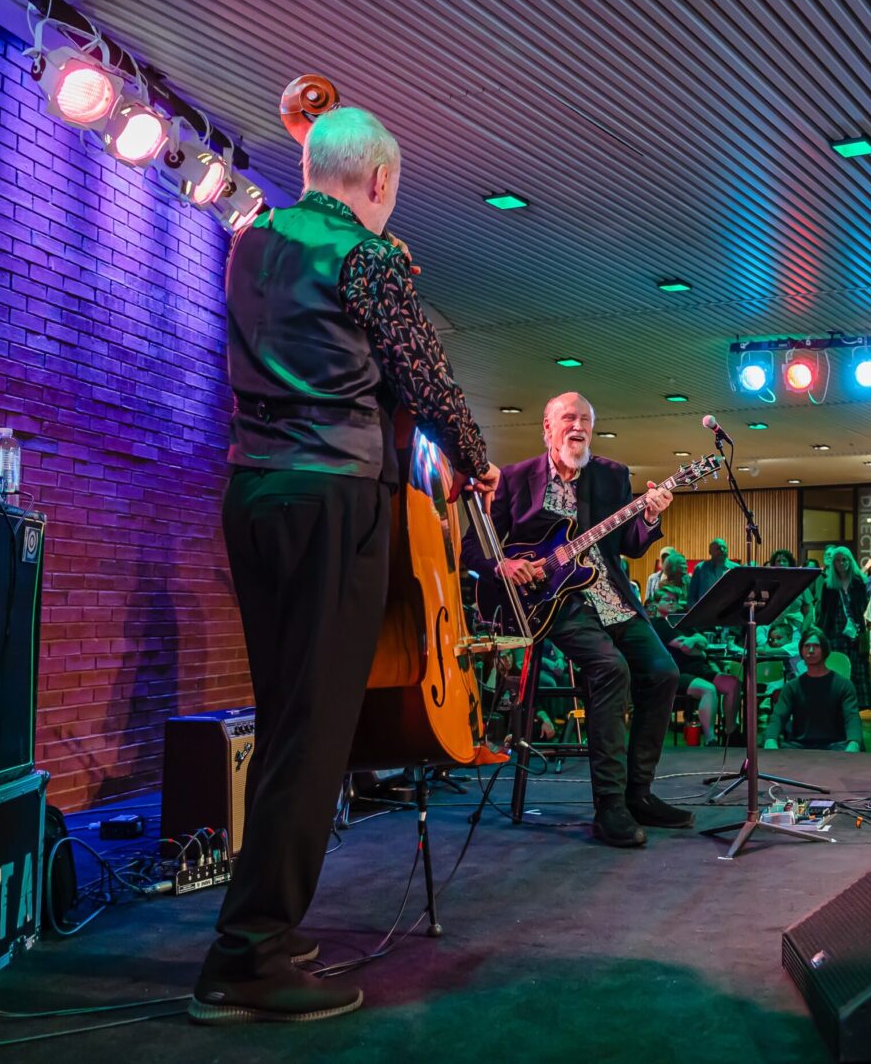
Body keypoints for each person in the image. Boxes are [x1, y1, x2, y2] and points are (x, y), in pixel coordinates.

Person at [198, 107, 502, 1025]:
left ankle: (262, 928)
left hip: (255, 497)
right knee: (314, 734)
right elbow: (423, 373)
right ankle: (245, 956)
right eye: (393, 190)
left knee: (289, 718)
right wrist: (477, 458)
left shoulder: (251, 241)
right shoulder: (365, 255)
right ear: (378, 181)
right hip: (333, 498)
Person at [460, 392, 679, 849]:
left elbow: (630, 546)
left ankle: (639, 794)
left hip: (611, 597)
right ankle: (609, 806)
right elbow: (473, 549)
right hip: (551, 604)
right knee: (610, 669)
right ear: (547, 427)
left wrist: (651, 515)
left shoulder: (612, 475)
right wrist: (503, 565)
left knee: (663, 672)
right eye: (568, 418)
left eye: (585, 420)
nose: (577, 426)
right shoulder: (516, 479)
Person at [648, 588, 740, 746]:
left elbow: (702, 640)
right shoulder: (658, 624)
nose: (671, 602)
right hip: (677, 672)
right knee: (708, 689)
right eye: (666, 599)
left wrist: (694, 640)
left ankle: (730, 733)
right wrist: (698, 646)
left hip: (698, 668)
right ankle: (710, 739)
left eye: (674, 600)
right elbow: (686, 648)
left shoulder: (682, 622)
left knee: (733, 683)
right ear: (656, 603)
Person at [763, 630, 862, 751]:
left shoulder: (843, 685)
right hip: (800, 746)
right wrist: (770, 739)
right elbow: (778, 716)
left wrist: (854, 742)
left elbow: (851, 717)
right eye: (806, 646)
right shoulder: (792, 687)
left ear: (825, 650)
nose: (810, 650)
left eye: (816, 646)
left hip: (834, 746)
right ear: (801, 651)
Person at [814, 545, 871, 706]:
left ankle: (859, 702)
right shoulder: (828, 584)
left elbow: (863, 607)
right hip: (836, 628)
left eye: (844, 559)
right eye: (838, 560)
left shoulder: (858, 582)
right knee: (838, 665)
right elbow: (825, 610)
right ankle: (838, 701)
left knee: (857, 666)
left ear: (850, 561)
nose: (841, 563)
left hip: (856, 629)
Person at [687, 538, 738, 608]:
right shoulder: (700, 568)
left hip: (728, 612)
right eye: (718, 548)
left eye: (724, 548)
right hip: (705, 612)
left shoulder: (736, 568)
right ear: (710, 552)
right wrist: (696, 613)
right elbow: (691, 596)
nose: (722, 550)